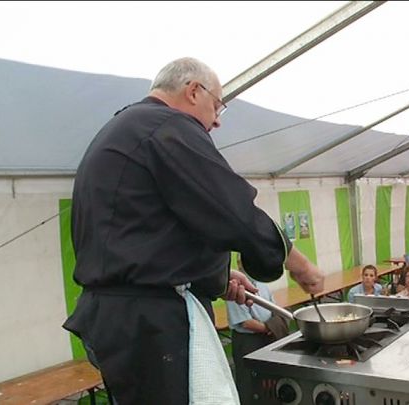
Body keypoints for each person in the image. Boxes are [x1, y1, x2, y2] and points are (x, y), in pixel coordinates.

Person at [62, 58, 325, 404]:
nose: (217, 120)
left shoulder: (129, 127)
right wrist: (300, 265)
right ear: (193, 91)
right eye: (217, 106)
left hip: (120, 317)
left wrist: (217, 276)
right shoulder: (168, 126)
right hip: (147, 322)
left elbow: (152, 233)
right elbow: (231, 210)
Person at [227, 274, 289, 403]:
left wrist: (271, 327)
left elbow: (274, 309)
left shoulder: (262, 284)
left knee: (271, 381)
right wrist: (270, 328)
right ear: (240, 264)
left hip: (267, 338)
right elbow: (246, 323)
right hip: (248, 342)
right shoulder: (235, 288)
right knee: (251, 384)